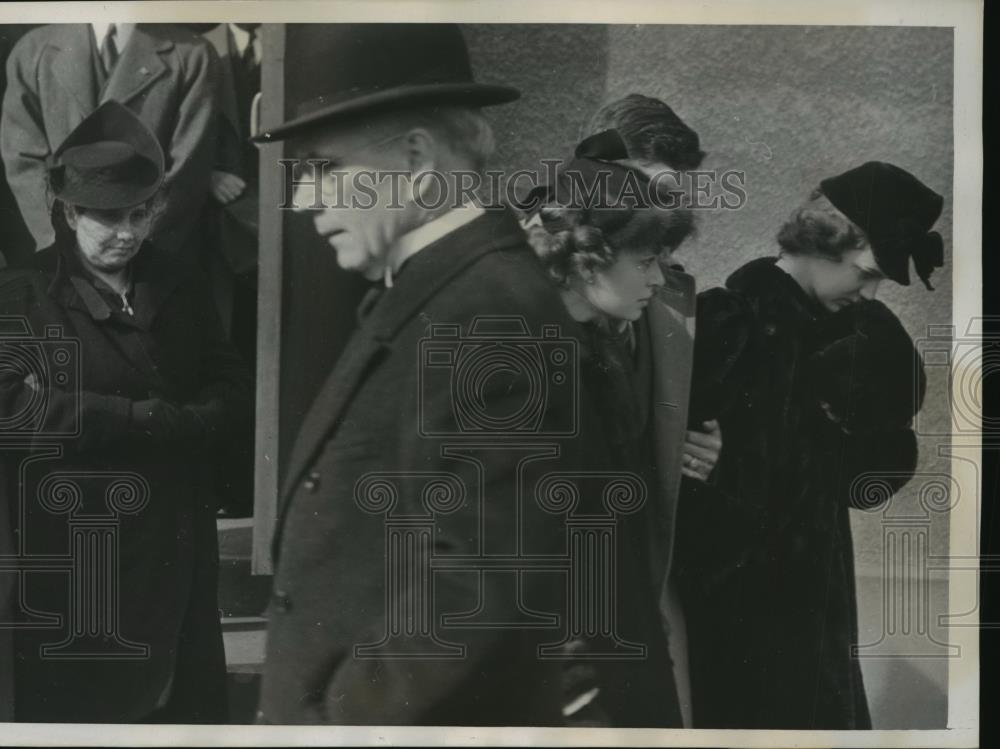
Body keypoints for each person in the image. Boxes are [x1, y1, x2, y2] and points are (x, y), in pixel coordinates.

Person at [252, 24, 587, 726]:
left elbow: (476, 575)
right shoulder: (438, 291)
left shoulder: (491, 308)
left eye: (323, 167)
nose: (308, 199)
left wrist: (337, 719)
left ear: (415, 160)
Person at [0, 101, 252, 722]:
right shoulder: (25, 295)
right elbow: (11, 408)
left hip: (175, 537)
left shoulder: (176, 281)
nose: (127, 232)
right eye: (108, 217)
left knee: (178, 704)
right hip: (78, 548)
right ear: (67, 211)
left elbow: (228, 383)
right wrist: (136, 419)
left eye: (142, 213)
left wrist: (190, 421)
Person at [672, 161, 943, 728]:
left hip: (816, 596)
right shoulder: (729, 323)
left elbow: (870, 473)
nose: (869, 291)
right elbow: (683, 481)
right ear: (826, 241)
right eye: (866, 271)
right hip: (736, 601)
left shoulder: (861, 337)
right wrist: (723, 464)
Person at [523, 135, 698, 727]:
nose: (657, 279)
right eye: (645, 261)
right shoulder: (528, 361)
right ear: (588, 255)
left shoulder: (604, 351)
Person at [580, 94, 720, 725]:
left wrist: (700, 445)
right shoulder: (529, 294)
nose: (665, 217)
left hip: (646, 576)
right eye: (653, 191)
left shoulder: (667, 292)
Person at [0, 23, 219, 260]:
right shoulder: (33, 50)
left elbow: (187, 167)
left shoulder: (191, 54)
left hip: (145, 252)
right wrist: (65, 237)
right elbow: (23, 160)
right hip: (62, 253)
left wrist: (130, 241)